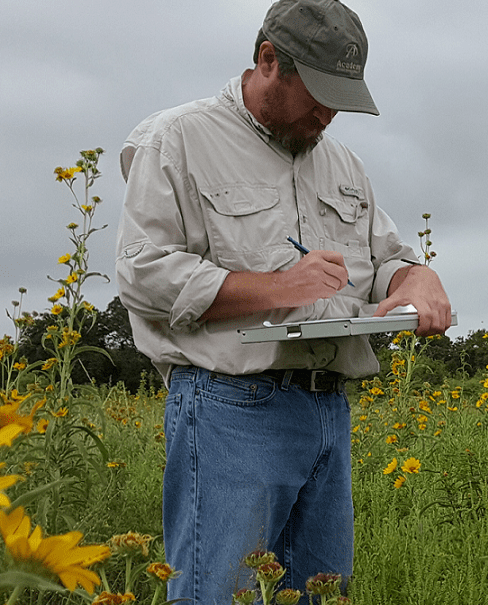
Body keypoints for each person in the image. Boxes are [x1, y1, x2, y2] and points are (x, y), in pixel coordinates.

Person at [114, 1, 452, 602]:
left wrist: (415, 279)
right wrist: (277, 286)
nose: (328, 113)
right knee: (220, 593)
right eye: (318, 92)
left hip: (327, 411)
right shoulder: (178, 139)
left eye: (341, 97)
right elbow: (143, 273)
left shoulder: (343, 165)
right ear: (268, 60)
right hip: (229, 410)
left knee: (321, 594)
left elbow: (384, 262)